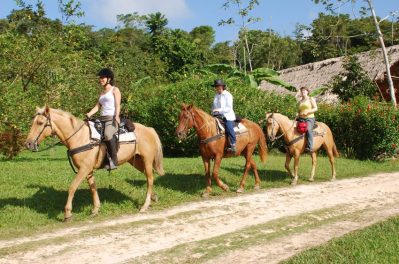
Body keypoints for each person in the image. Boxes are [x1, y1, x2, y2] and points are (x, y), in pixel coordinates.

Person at [86, 68, 121, 170]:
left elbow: (118, 105)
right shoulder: (102, 93)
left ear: (109, 79)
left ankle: (114, 160)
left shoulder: (115, 90)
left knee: (107, 134)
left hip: (111, 119)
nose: (100, 79)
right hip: (101, 119)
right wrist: (89, 113)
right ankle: (100, 160)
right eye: (100, 78)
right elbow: (98, 106)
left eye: (102, 77)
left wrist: (117, 116)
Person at [211, 79, 237, 153]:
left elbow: (228, 108)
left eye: (218, 86)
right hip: (217, 116)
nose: (217, 88)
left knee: (229, 128)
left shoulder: (228, 95)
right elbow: (213, 106)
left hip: (227, 116)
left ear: (222, 86)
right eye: (216, 86)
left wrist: (218, 110)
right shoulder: (216, 96)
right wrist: (213, 111)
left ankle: (233, 145)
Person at [297, 86, 318, 152]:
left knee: (308, 130)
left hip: (309, 118)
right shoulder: (300, 101)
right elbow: (299, 110)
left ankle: (310, 147)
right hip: (301, 118)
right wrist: (297, 114)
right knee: (292, 127)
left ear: (307, 92)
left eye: (304, 90)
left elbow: (315, 108)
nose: (303, 91)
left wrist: (308, 111)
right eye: (302, 91)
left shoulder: (310, 99)